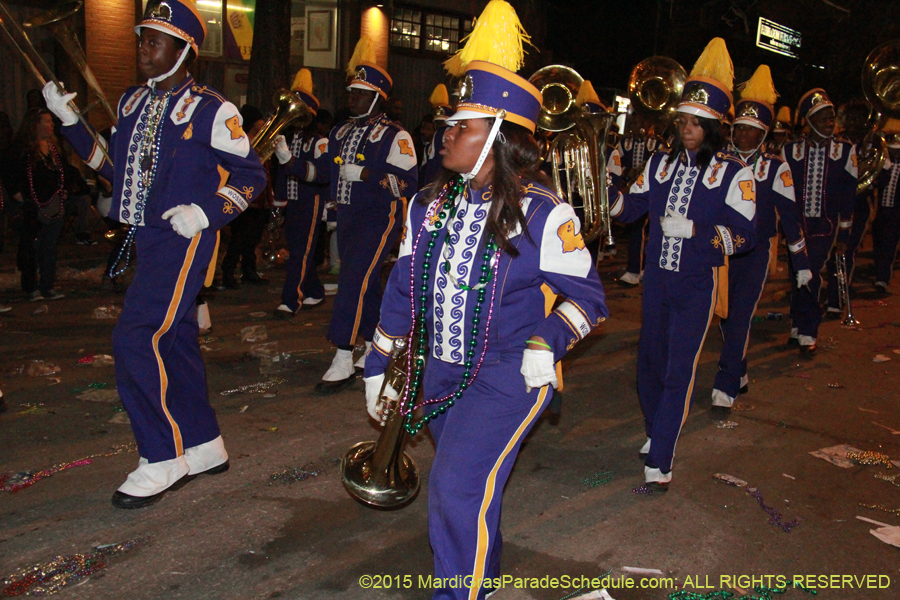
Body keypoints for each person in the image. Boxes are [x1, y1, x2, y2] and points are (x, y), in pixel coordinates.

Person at [363, 3, 607, 597]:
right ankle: (483, 583)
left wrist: (546, 343)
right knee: (473, 489)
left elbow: (590, 299)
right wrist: (378, 366)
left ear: (496, 138)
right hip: (437, 370)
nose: (445, 133)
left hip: (508, 376)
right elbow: (402, 287)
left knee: (454, 488)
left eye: (460, 126)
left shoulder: (547, 214)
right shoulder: (425, 205)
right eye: (448, 123)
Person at [43, 0, 266, 509]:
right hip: (149, 237)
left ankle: (163, 456)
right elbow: (111, 168)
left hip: (185, 239)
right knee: (177, 340)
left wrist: (207, 214)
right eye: (142, 37)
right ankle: (205, 444)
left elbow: (253, 178)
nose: (143, 48)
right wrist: (70, 121)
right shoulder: (130, 103)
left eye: (155, 40)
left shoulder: (214, 108)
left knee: (136, 336)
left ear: (184, 50)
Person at [608, 38, 757, 491]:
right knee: (648, 365)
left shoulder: (734, 172)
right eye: (683, 120)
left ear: (713, 126)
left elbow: (746, 235)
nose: (686, 127)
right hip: (656, 283)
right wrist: (599, 193)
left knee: (679, 368)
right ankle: (657, 430)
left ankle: (662, 456)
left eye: (696, 122)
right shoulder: (659, 163)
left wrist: (696, 232)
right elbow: (627, 210)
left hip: (697, 282)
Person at [315, 36, 418, 393]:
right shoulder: (340, 131)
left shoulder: (396, 135)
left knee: (353, 279)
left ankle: (343, 351)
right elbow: (330, 175)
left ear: (377, 97)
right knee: (367, 283)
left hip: (379, 219)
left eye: (360, 93)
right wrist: (332, 208)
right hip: (347, 217)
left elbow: (408, 184)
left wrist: (368, 175)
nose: (352, 98)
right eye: (351, 92)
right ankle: (381, 340)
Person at [710, 66, 810, 418]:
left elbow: (791, 215)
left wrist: (802, 263)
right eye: (739, 128)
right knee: (724, 314)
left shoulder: (777, 167)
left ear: (763, 133)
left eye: (751, 130)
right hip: (724, 248)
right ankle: (739, 366)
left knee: (741, 316)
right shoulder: (720, 160)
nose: (743, 135)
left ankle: (725, 382)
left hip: (756, 251)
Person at [781, 89, 857, 355]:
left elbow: (849, 197)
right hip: (795, 226)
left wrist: (845, 237)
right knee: (795, 275)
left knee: (811, 273)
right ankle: (797, 322)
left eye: (831, 118)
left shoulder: (845, 151)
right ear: (809, 120)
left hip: (824, 226)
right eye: (823, 118)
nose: (829, 123)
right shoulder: (790, 150)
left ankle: (808, 329)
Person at [9, 108, 84, 301]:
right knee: (32, 247)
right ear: (35, 124)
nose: (51, 125)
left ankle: (47, 285)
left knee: (49, 247)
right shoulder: (23, 148)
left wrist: (66, 187)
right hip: (33, 204)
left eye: (52, 122)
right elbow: (9, 170)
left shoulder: (53, 148)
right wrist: (16, 193)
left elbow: (65, 170)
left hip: (54, 202)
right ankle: (31, 287)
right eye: (47, 122)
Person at [274, 69, 331, 318]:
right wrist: (278, 202)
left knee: (300, 252)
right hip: (295, 202)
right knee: (299, 249)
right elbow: (282, 173)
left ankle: (291, 300)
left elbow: (322, 174)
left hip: (312, 201)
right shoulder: (292, 138)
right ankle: (315, 291)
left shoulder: (320, 142)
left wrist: (290, 160)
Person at [823, 100, 871, 316]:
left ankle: (837, 299)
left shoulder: (872, 143)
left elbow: (881, 174)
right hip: (833, 202)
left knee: (846, 249)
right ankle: (830, 292)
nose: (853, 122)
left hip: (859, 204)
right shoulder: (835, 142)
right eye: (850, 118)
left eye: (858, 119)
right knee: (829, 250)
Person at [220, 104, 271, 288]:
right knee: (239, 238)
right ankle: (228, 271)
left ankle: (249, 270)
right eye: (259, 119)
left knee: (252, 238)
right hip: (244, 198)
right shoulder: (242, 141)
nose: (263, 122)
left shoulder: (257, 139)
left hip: (258, 198)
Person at [614, 111, 666, 285]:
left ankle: (645, 269)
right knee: (636, 231)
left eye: (642, 123)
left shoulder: (659, 144)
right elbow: (616, 163)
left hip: (653, 193)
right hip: (632, 190)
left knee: (653, 232)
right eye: (634, 123)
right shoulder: (624, 142)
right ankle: (634, 269)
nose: (638, 127)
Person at [872, 125, 900, 295]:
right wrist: (884, 170)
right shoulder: (884, 165)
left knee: (889, 245)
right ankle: (878, 273)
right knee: (878, 243)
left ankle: (882, 278)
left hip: (896, 213)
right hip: (880, 210)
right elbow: (878, 184)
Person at [419, 83, 453, 188]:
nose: (440, 126)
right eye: (437, 123)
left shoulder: (443, 134)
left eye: (442, 122)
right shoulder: (428, 147)